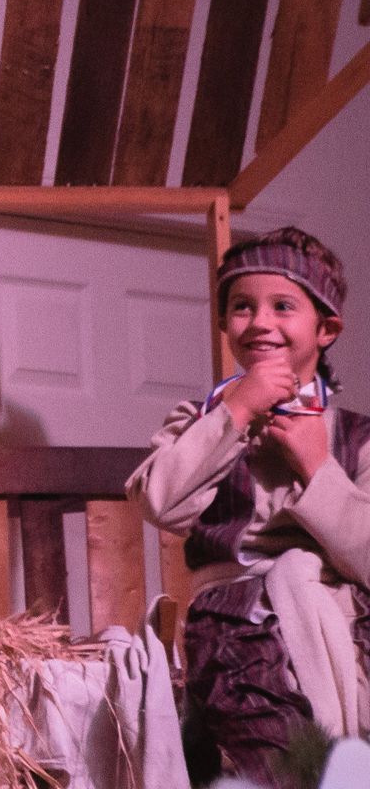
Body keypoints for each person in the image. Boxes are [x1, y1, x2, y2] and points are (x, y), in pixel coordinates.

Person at [127, 227, 368, 786]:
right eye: (242, 306)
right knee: (287, 761)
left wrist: (318, 468)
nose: (259, 321)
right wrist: (234, 414)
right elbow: (160, 501)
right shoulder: (200, 420)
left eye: (283, 306)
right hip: (238, 627)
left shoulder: (356, 438)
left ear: (326, 329)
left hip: (348, 622)